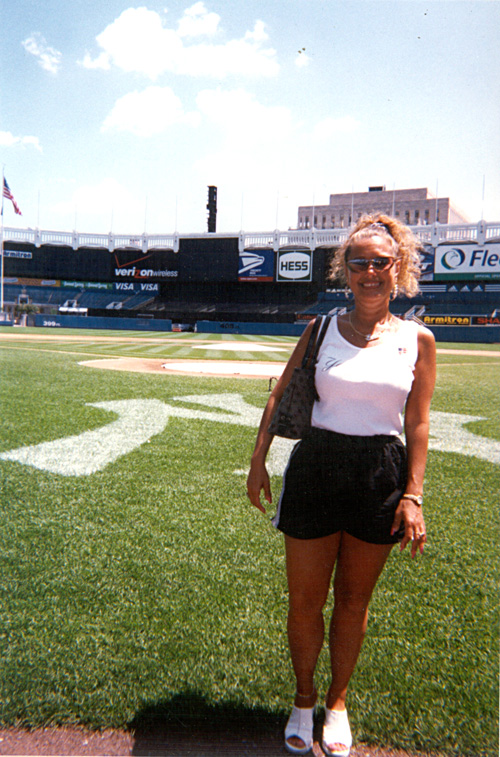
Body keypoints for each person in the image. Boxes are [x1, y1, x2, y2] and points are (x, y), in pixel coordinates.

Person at [246, 214, 436, 756]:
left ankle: (338, 702)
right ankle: (303, 700)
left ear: (396, 267)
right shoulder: (322, 328)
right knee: (305, 602)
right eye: (360, 263)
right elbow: (280, 396)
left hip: (380, 471)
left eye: (381, 262)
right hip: (317, 468)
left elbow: (419, 423)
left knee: (353, 601)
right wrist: (258, 461)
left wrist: (413, 494)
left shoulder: (419, 340)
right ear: (345, 271)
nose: (371, 272)